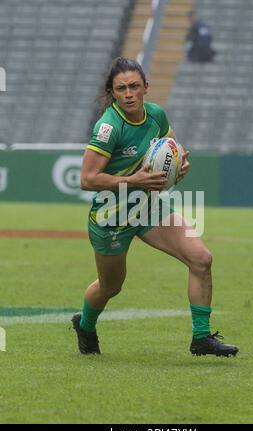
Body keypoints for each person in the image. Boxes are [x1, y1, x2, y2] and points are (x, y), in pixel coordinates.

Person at [72, 57, 238, 358]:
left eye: (134, 86)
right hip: (112, 215)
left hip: (147, 206)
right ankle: (85, 324)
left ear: (146, 87)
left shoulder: (156, 115)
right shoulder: (108, 127)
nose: (129, 93)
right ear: (112, 92)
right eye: (121, 88)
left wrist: (180, 166)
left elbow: (172, 149)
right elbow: (87, 179)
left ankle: (201, 338)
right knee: (110, 287)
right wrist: (134, 179)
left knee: (201, 258)